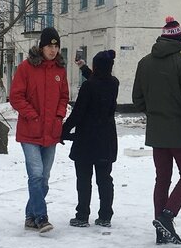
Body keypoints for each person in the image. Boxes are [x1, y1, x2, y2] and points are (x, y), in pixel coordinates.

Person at [131, 16, 181, 245]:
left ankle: (160, 228)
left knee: (162, 178)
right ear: (180, 41)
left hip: (157, 133)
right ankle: (167, 216)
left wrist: (154, 112)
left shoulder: (144, 63)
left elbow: (137, 99)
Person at [9, 26, 70, 234]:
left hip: (51, 132)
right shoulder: (26, 68)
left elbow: (64, 96)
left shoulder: (60, 70)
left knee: (43, 179)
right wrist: (32, 115)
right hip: (30, 131)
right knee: (35, 175)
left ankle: (30, 215)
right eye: (49, 46)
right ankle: (42, 217)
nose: (53, 50)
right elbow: (16, 96)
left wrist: (59, 116)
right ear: (41, 47)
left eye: (56, 46)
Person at [61, 49, 119, 227]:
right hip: (106, 138)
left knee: (84, 179)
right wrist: (83, 68)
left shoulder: (88, 86)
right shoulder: (114, 83)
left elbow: (78, 113)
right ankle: (105, 216)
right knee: (104, 178)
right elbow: (99, 79)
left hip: (86, 139)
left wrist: (63, 130)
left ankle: (82, 215)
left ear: (96, 67)